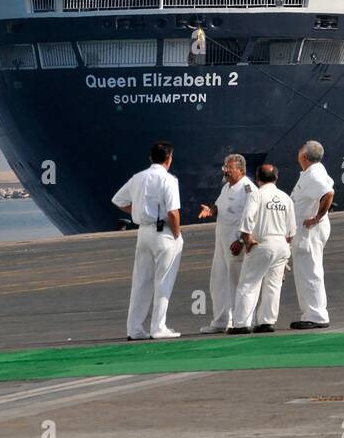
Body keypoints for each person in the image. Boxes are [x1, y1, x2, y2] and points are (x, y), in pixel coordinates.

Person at [111, 141, 184, 340]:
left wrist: (138, 212)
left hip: (143, 232)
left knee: (141, 281)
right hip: (163, 232)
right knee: (163, 281)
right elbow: (172, 212)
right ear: (169, 158)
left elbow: (118, 200)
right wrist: (177, 234)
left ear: (151, 158)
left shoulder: (138, 178)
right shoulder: (168, 180)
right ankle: (158, 327)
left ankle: (134, 329)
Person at [229, 165, 297, 335]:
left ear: (258, 178)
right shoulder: (285, 198)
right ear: (276, 178)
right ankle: (267, 321)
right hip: (281, 243)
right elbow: (291, 231)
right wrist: (285, 250)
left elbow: (247, 219)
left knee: (248, 283)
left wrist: (245, 240)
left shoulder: (256, 195)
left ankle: (241, 324)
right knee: (273, 285)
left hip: (261, 243)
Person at [198, 153, 256, 333]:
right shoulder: (227, 188)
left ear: (240, 170)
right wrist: (211, 210)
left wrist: (241, 240)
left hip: (235, 243)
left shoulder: (248, 190)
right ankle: (221, 321)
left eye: (229, 169)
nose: (225, 171)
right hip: (221, 244)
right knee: (218, 282)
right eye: (225, 168)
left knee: (238, 283)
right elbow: (219, 207)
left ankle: (242, 320)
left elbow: (253, 218)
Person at [290, 140, 334, 329]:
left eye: (301, 148)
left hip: (310, 231)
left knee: (310, 270)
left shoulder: (314, 174)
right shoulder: (313, 171)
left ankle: (316, 315)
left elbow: (328, 193)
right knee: (305, 271)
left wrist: (317, 217)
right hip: (308, 230)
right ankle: (311, 312)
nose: (298, 150)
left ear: (304, 156)